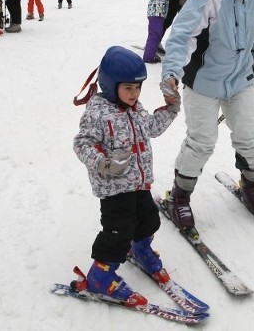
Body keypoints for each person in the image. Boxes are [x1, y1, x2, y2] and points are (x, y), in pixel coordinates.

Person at [160, 0, 254, 230]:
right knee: (202, 142)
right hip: (204, 82)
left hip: (240, 81)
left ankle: (251, 187)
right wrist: (171, 71)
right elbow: (182, 35)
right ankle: (179, 197)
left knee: (251, 140)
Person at [73, 45, 180, 304]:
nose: (135, 94)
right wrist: (103, 163)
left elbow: (151, 128)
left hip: (139, 183)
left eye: (138, 87)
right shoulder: (97, 113)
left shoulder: (135, 108)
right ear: (110, 86)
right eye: (128, 88)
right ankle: (99, 278)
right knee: (118, 232)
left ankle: (140, 248)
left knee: (148, 220)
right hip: (113, 189)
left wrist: (171, 108)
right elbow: (82, 143)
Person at [142, 0, 174, 64]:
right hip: (156, 13)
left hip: (156, 13)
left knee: (155, 34)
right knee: (155, 34)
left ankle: (150, 52)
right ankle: (148, 57)